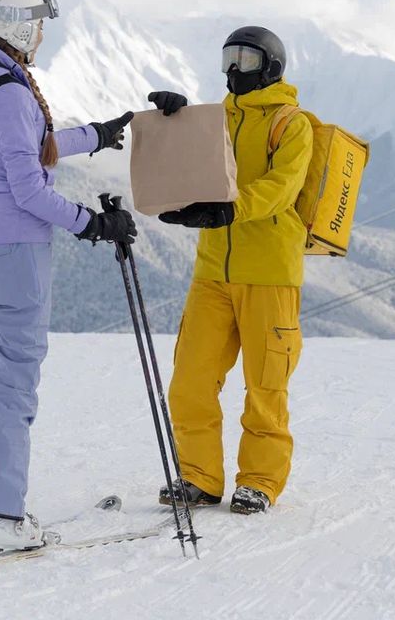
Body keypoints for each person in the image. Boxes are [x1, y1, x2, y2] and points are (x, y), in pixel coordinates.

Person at [0, 0, 137, 556]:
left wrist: (96, 136)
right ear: (18, 25)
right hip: (17, 254)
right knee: (15, 387)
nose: (43, 32)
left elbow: (29, 145)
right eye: (39, 22)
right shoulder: (12, 93)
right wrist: (91, 223)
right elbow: (28, 189)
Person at [149, 26, 313, 515]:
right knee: (191, 379)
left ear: (272, 66)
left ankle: (259, 481)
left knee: (265, 385)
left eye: (244, 57)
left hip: (270, 275)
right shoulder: (215, 118)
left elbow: (283, 187)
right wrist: (172, 120)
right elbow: (186, 164)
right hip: (212, 273)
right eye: (228, 57)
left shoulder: (291, 123)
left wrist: (229, 209)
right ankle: (199, 476)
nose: (233, 68)